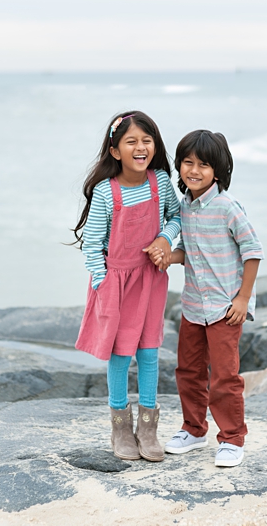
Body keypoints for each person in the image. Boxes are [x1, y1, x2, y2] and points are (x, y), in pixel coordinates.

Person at [73, 111, 181, 462]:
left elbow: (176, 216)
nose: (140, 148)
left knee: (149, 352)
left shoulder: (160, 182)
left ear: (155, 146)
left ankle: (147, 427)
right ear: (115, 151)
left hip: (150, 279)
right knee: (120, 355)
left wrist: (165, 239)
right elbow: (91, 245)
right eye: (131, 142)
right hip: (116, 283)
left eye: (146, 141)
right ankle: (120, 426)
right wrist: (103, 282)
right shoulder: (107, 192)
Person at [164, 130, 262, 468]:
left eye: (202, 165)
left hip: (225, 308)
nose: (193, 170)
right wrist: (168, 257)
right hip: (192, 306)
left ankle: (233, 438)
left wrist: (242, 299)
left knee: (224, 376)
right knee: (188, 370)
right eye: (187, 163)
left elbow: (253, 252)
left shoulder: (227, 207)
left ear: (217, 171)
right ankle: (193, 429)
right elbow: (190, 252)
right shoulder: (185, 207)